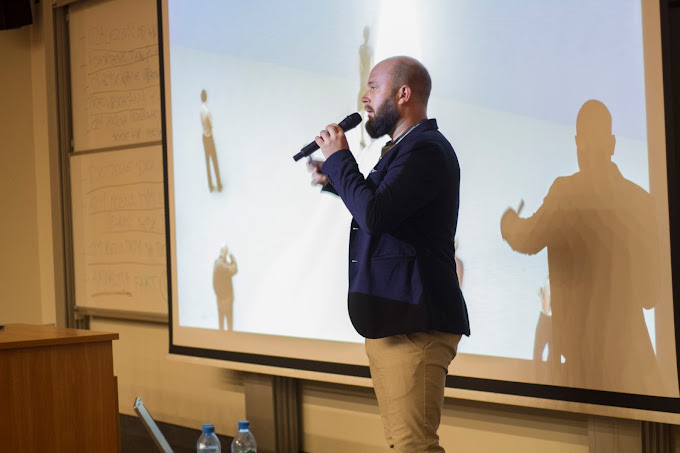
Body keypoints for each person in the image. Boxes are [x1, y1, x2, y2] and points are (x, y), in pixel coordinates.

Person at [308, 56, 470, 453]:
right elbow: (386, 209)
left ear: (403, 94)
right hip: (395, 323)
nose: (364, 97)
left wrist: (340, 159)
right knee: (403, 444)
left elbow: (375, 215)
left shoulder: (426, 150)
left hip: (415, 326)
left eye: (373, 87)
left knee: (413, 446)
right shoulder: (405, 149)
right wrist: (335, 179)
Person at [500, 100, 663, 394]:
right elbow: (651, 295)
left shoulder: (566, 193)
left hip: (585, 373)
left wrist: (508, 221)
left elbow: (526, 238)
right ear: (612, 144)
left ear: (577, 143)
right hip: (636, 371)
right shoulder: (643, 203)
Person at [200, 89, 223, 192]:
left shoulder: (201, 110)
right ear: (206, 97)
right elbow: (211, 125)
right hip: (209, 137)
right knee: (214, 161)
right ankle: (219, 184)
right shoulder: (207, 111)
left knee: (207, 162)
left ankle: (210, 185)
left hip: (204, 137)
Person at [213, 245, 238, 331]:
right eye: (226, 252)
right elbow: (235, 269)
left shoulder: (218, 263)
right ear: (224, 252)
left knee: (221, 326)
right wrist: (231, 256)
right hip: (226, 300)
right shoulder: (221, 265)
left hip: (221, 300)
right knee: (229, 327)